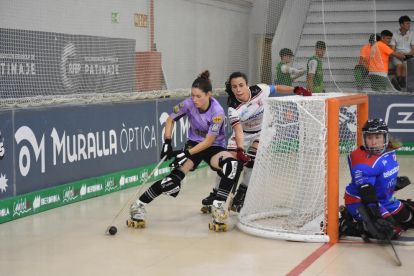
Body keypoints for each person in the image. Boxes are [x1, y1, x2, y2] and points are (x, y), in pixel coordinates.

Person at [129, 70, 243, 229]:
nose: (194, 99)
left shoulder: (217, 112)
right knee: (172, 182)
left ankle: (217, 205)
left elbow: (209, 142)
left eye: (198, 96)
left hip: (213, 147)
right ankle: (138, 206)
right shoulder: (188, 103)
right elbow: (170, 119)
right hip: (193, 144)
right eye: (192, 95)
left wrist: (185, 153)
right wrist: (167, 142)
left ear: (209, 94)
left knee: (232, 165)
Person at [201, 72, 312, 213]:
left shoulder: (259, 90)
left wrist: (295, 89)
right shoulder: (233, 108)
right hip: (243, 133)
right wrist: (240, 150)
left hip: (263, 131)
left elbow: (276, 88)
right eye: (234, 87)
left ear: (248, 85)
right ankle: (216, 193)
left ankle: (241, 193)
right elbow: (239, 131)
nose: (238, 90)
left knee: (252, 160)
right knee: (230, 163)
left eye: (241, 85)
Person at [339, 118, 414, 241]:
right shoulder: (362, 163)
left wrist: (394, 184)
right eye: (369, 138)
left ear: (385, 137)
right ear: (365, 139)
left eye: (377, 137)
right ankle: (349, 225)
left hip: (384, 199)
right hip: (360, 201)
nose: (373, 142)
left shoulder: (389, 152)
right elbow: (366, 192)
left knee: (410, 217)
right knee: (391, 230)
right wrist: (375, 216)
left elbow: (379, 176)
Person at [390, 15, 414, 90]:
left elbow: (413, 49)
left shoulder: (412, 34)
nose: (409, 25)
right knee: (398, 66)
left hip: (409, 55)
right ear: (401, 25)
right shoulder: (394, 34)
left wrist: (405, 57)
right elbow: (392, 49)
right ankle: (401, 82)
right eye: (407, 23)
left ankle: (399, 82)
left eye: (409, 23)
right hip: (397, 55)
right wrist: (399, 56)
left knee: (404, 66)